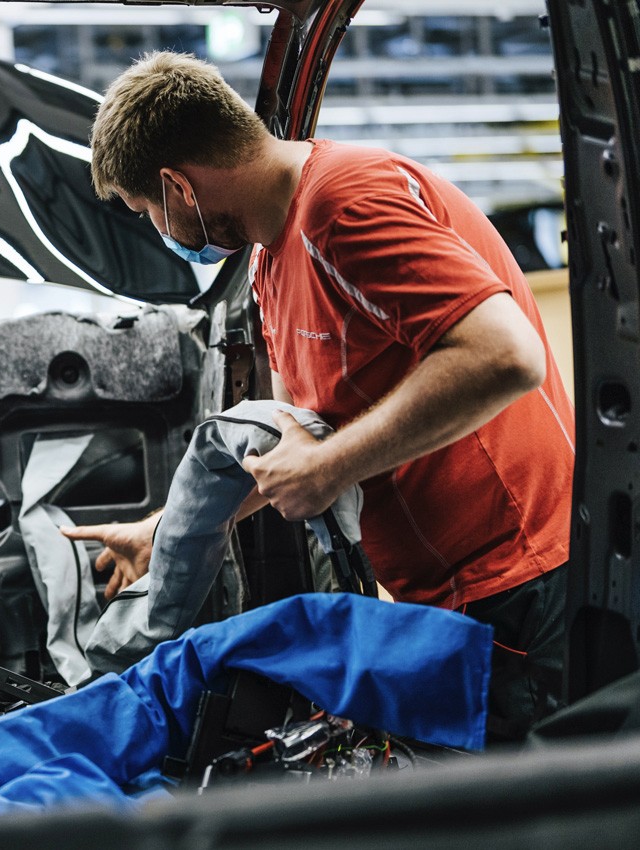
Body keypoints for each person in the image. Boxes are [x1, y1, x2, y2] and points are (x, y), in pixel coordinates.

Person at [64, 52, 574, 740]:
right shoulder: (272, 258)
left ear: (177, 186)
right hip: (450, 599)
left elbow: (506, 355)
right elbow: (301, 446)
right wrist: (167, 529)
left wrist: (331, 469)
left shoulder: (344, 204)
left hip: (520, 589)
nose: (159, 230)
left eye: (147, 212)